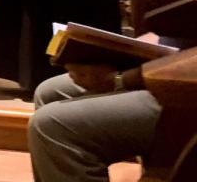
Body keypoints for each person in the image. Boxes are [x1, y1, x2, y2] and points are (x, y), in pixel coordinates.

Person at [29, 46, 197, 181]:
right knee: (50, 91)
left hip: (186, 95)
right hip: (179, 59)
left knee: (53, 125)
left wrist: (121, 80)